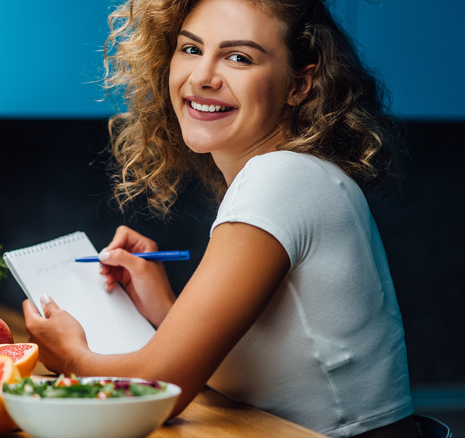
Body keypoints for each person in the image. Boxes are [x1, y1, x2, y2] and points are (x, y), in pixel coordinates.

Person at [22, 0, 415, 437]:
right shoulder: (298, 173)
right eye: (190, 49)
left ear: (299, 84)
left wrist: (71, 356)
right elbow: (259, 373)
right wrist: (167, 311)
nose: (202, 77)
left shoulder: (281, 177)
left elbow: (160, 389)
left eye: (238, 57)